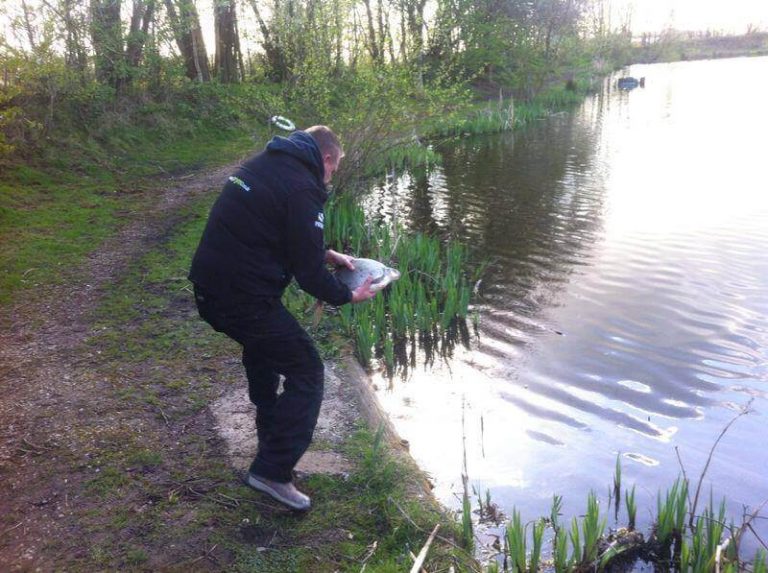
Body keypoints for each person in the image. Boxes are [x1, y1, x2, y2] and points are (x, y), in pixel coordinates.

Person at [188, 125, 377, 511]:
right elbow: (307, 275)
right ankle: (272, 472)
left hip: (212, 286)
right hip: (240, 296)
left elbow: (276, 227)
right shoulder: (303, 185)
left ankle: (268, 434)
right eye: (335, 168)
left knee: (263, 345)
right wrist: (347, 294)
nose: (331, 176)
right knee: (307, 370)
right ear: (326, 158)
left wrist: (328, 254)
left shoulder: (268, 163)